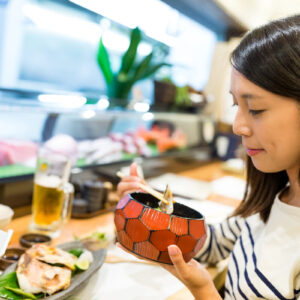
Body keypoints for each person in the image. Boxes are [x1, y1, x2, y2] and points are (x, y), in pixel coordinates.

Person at [117, 14, 300, 299]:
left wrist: (203, 289)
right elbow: (210, 243)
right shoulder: (276, 200)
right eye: (235, 104)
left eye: (256, 109)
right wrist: (154, 213)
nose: (238, 126)